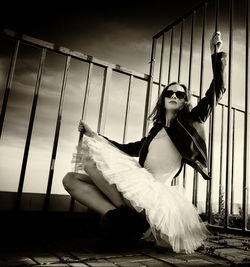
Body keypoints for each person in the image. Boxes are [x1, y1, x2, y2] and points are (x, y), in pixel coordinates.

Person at [62, 31, 227, 254]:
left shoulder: (191, 120)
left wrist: (215, 53)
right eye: (171, 91)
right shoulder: (157, 129)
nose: (175, 95)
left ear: (185, 100)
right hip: (136, 185)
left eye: (180, 94)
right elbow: (129, 148)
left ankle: (125, 220)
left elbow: (217, 90)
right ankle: (120, 218)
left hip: (153, 194)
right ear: (164, 96)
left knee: (91, 162)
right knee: (71, 178)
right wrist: (95, 135)